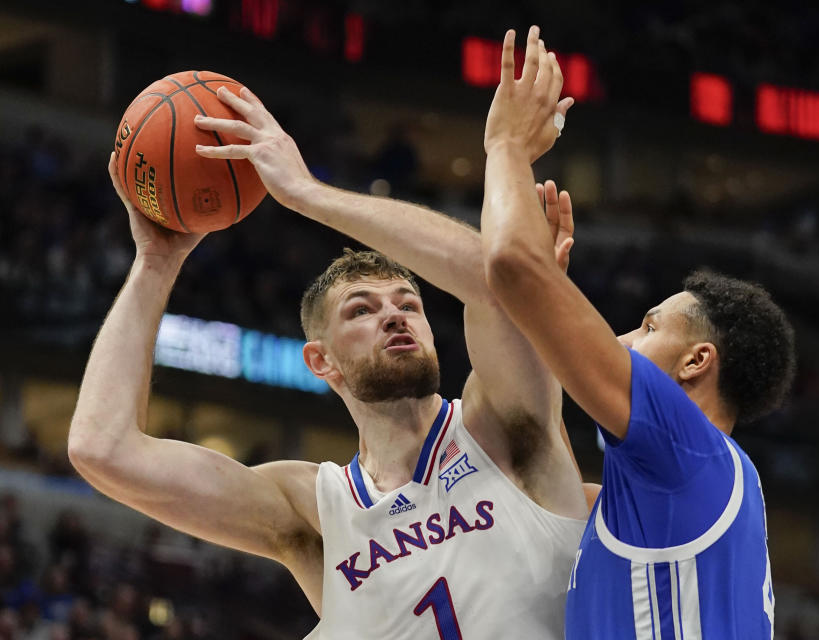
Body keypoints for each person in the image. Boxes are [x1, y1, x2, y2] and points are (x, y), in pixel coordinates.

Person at [69, 89, 586, 637]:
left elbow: (495, 284)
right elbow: (102, 449)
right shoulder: (312, 511)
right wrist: (156, 262)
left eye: (408, 305)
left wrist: (306, 194)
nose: (394, 317)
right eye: (362, 310)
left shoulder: (501, 429)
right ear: (322, 361)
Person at [480, 26, 796, 639]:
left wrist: (506, 148)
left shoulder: (682, 445)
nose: (622, 340)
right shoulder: (684, 482)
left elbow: (509, 265)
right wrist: (543, 312)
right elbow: (542, 463)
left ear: (696, 362)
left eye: (649, 326)